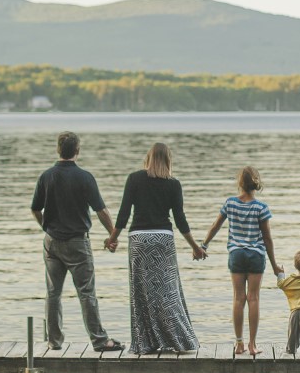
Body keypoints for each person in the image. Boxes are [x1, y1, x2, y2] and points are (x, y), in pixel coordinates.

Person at [105, 142, 206, 354]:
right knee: (168, 293)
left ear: (148, 158)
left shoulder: (134, 179)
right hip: (163, 240)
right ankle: (180, 340)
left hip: (139, 241)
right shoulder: (173, 184)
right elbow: (180, 221)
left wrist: (112, 239)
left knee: (141, 293)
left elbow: (123, 215)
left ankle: (145, 343)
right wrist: (195, 247)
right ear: (168, 160)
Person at [31, 131, 124, 352]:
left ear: (58, 150)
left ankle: (54, 342)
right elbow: (101, 210)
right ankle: (100, 341)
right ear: (77, 151)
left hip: (51, 242)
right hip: (77, 243)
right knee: (86, 292)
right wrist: (112, 235)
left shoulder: (46, 176)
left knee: (53, 293)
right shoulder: (85, 177)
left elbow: (35, 208)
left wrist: (46, 226)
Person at [201, 166, 283, 355]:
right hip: (256, 255)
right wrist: (274, 265)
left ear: (239, 183)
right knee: (253, 298)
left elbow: (215, 226)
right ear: (256, 184)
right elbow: (267, 238)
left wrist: (204, 245)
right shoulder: (261, 207)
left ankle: (239, 344)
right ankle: (252, 345)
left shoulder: (230, 203)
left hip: (236, 254)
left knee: (238, 298)